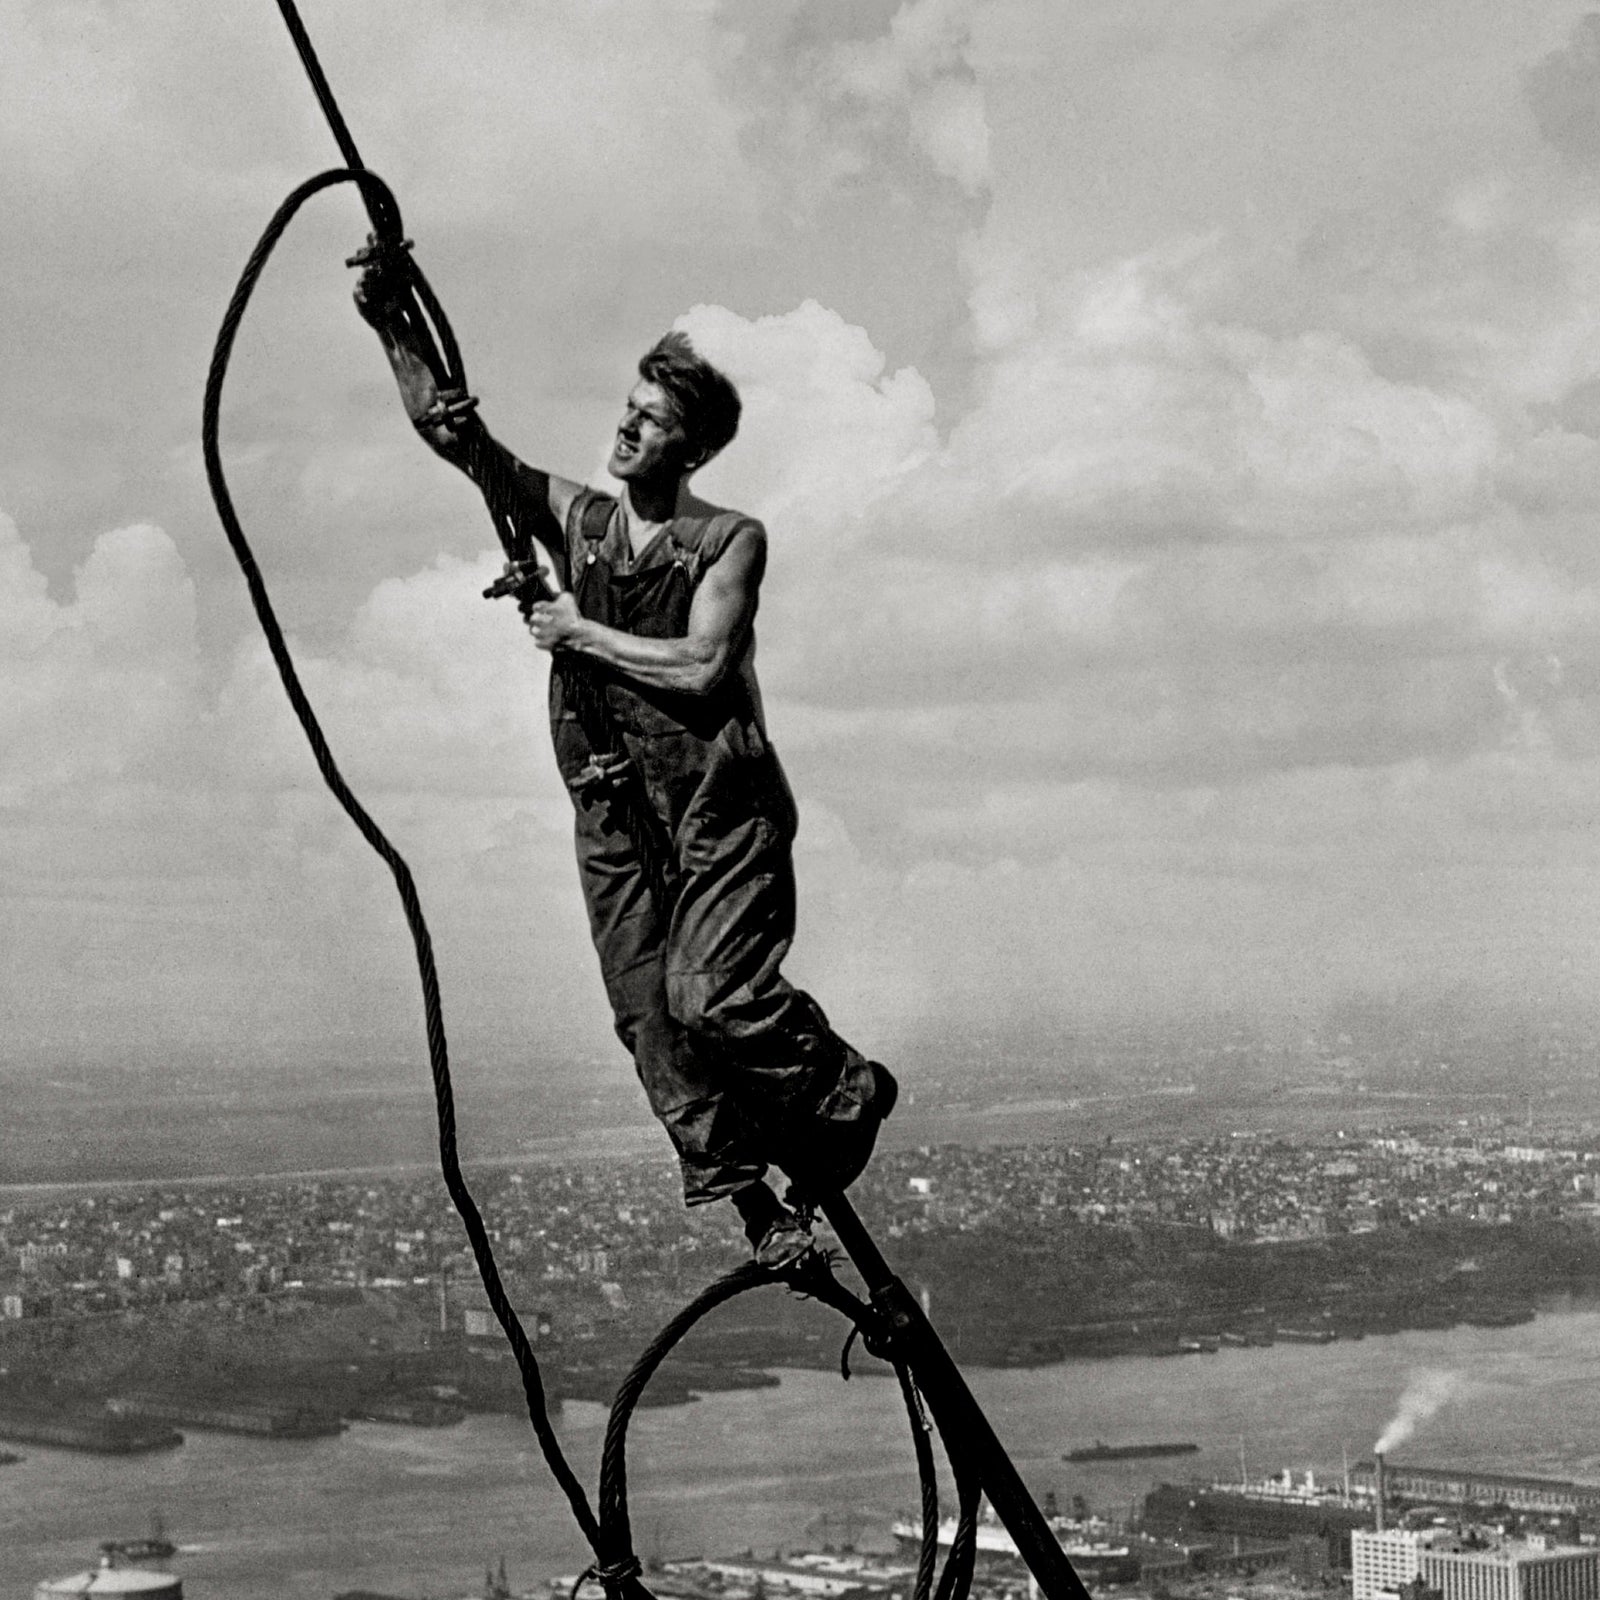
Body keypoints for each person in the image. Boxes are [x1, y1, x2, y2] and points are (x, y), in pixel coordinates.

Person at [354, 257, 896, 1268]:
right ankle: (756, 1213)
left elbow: (701, 667)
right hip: (611, 801)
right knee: (649, 1016)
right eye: (629, 407)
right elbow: (460, 442)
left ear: (689, 443)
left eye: (651, 418)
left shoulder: (726, 540)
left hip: (718, 809)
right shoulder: (584, 526)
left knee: (712, 998)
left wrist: (576, 635)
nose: (627, 427)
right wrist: (391, 324)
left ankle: (842, 1092)